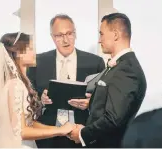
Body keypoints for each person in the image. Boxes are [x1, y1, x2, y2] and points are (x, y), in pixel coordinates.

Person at [0, 32, 74, 148]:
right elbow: (21, 131)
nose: (34, 53)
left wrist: (60, 129)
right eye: (30, 48)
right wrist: (59, 131)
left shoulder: (16, 83)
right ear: (18, 53)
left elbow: (29, 123)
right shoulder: (15, 85)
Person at [68, 12, 147, 148]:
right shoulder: (121, 65)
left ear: (115, 34)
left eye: (102, 34)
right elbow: (117, 103)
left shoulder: (126, 70)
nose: (99, 40)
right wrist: (92, 102)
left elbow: (114, 119)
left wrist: (82, 134)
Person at [27, 14, 105, 148]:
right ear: (52, 37)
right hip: (47, 134)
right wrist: (41, 99)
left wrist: (89, 103)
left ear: (75, 34)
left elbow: (104, 101)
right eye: (59, 35)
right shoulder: (37, 63)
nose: (65, 40)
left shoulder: (95, 62)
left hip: (81, 132)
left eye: (69, 33)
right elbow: (28, 100)